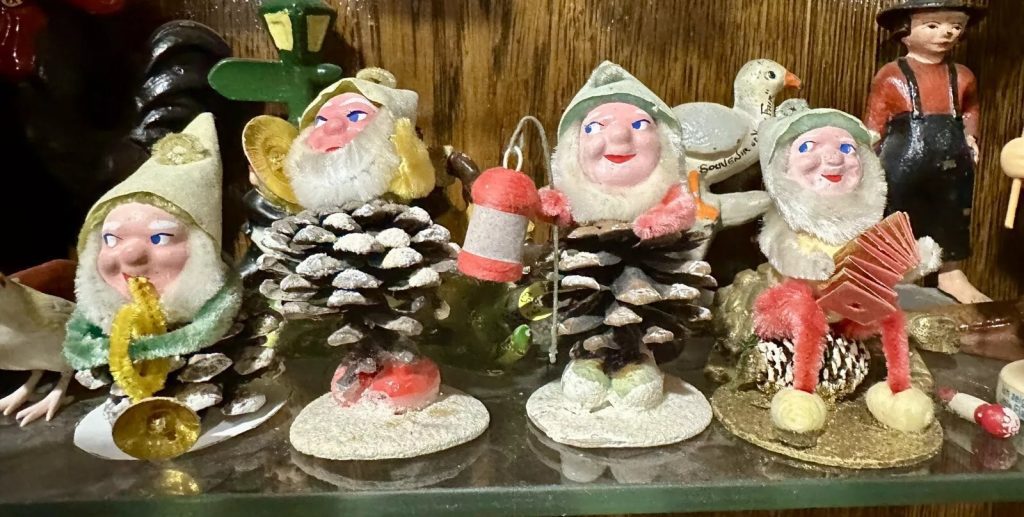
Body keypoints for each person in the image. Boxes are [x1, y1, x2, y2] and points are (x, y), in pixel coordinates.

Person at [865, 0, 988, 303]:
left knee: (953, 211)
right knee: (897, 210)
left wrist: (970, 138)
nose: (946, 33)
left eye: (955, 26)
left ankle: (951, 272)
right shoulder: (891, 74)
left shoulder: (962, 76)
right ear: (904, 31)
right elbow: (875, 118)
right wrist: (865, 149)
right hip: (903, 154)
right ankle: (891, 272)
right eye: (933, 25)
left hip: (953, 154)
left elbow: (970, 110)